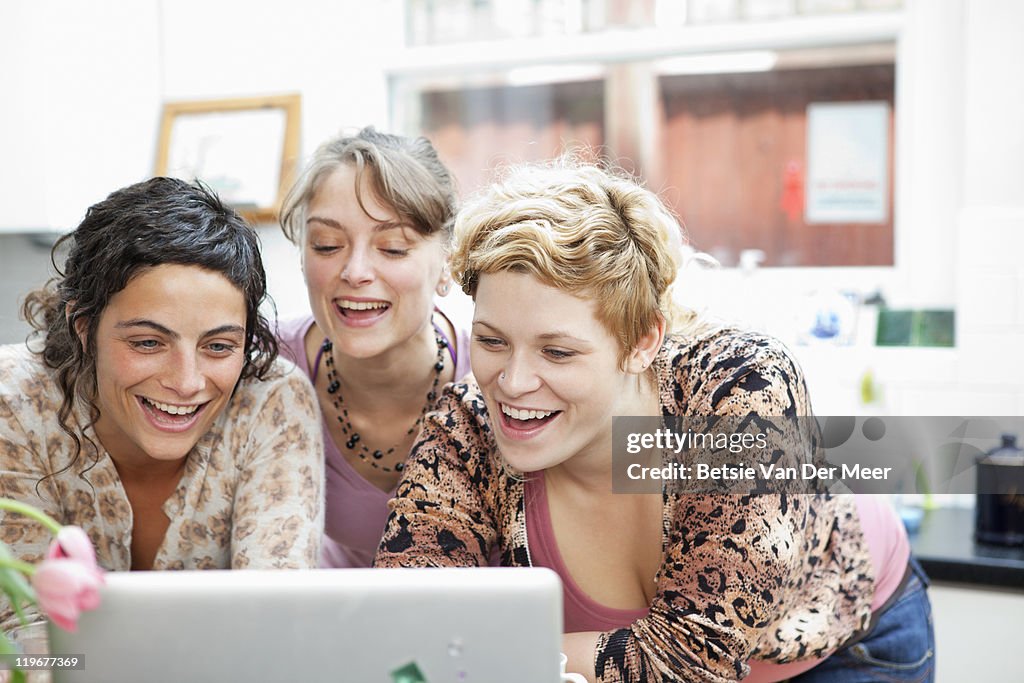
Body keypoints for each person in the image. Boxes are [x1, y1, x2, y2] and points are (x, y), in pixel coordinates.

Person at [374, 161, 934, 682]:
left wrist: (483, 651)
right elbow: (410, 620)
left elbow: (693, 656)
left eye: (558, 352)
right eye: (493, 342)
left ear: (643, 342)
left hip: (845, 645)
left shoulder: (740, 390)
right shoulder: (465, 428)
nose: (513, 382)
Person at [0, 177, 324, 644]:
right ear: (84, 328)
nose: (187, 382)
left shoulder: (270, 403)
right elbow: (21, 636)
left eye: (218, 346)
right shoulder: (17, 402)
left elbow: (276, 620)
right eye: (149, 342)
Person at [277, 127, 471, 568]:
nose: (355, 271)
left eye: (393, 247)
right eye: (327, 245)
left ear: (447, 262)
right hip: (327, 617)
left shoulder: (502, 368)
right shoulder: (262, 362)